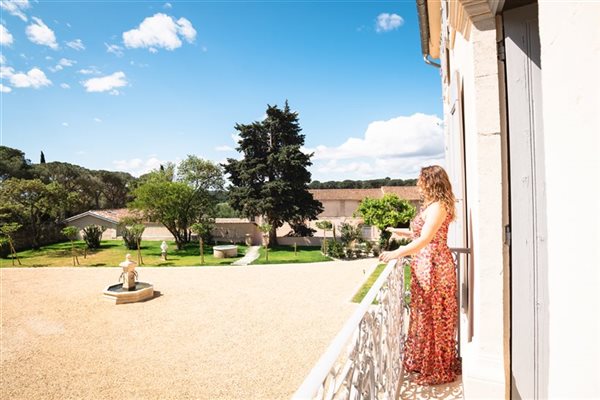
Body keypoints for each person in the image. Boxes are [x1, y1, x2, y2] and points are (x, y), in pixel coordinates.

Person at [379, 165, 460, 385]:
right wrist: (399, 231)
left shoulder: (439, 207)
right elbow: (421, 232)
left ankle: (437, 367)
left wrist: (395, 253)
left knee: (435, 316)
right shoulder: (433, 206)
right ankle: (427, 361)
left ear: (431, 182)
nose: (418, 184)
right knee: (426, 315)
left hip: (435, 266)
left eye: (421, 180)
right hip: (426, 265)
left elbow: (426, 239)